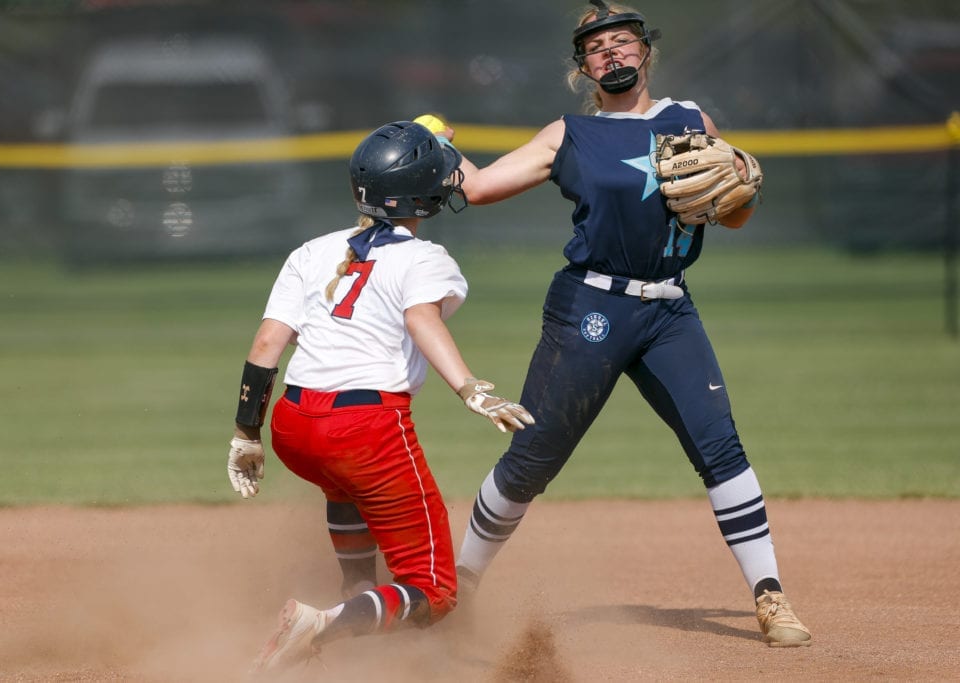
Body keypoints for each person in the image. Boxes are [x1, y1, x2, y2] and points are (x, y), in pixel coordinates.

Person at [444, 2, 812, 647]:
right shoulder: (570, 135)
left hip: (670, 308)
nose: (611, 53)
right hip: (590, 306)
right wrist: (435, 148)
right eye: (596, 47)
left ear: (646, 51)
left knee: (719, 444)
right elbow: (477, 188)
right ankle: (457, 588)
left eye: (623, 41)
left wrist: (743, 188)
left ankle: (770, 596)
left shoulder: (689, 119)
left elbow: (734, 217)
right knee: (532, 458)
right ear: (582, 67)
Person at [225, 120, 535, 674]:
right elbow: (422, 320)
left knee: (344, 485)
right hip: (365, 426)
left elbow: (268, 344)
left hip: (293, 424)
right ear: (429, 194)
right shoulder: (425, 257)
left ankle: (358, 603)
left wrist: (246, 433)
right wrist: (470, 389)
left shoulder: (311, 251)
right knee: (435, 590)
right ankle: (323, 625)